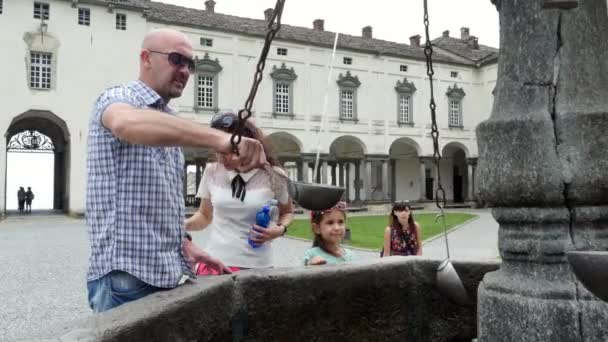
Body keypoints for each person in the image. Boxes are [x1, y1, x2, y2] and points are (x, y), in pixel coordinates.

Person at [85, 28, 268, 313]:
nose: (185, 70)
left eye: (190, 65)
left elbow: (158, 201)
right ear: (146, 58)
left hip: (166, 273)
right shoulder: (119, 97)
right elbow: (126, 124)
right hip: (126, 278)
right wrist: (220, 138)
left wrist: (185, 244)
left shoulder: (169, 120)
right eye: (176, 60)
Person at [185, 112, 294, 274]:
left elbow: (287, 212)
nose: (221, 159)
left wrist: (280, 229)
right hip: (216, 263)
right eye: (218, 151)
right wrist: (182, 225)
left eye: (228, 152)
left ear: (247, 146)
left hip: (258, 266)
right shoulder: (212, 171)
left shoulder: (274, 174)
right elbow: (204, 216)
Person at [303, 202, 357, 266]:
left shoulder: (351, 255)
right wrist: (311, 266)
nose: (337, 228)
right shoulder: (311, 255)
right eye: (330, 223)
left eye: (340, 222)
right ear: (317, 228)